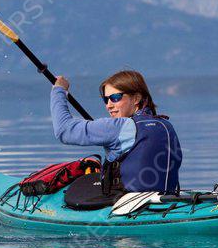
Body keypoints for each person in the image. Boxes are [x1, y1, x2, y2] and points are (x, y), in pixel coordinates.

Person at [51, 69, 182, 193]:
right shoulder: (165, 124)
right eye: (105, 99)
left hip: (127, 204)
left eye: (115, 97)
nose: (109, 105)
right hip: (165, 197)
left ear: (136, 98)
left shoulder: (118, 126)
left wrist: (59, 90)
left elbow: (63, 130)